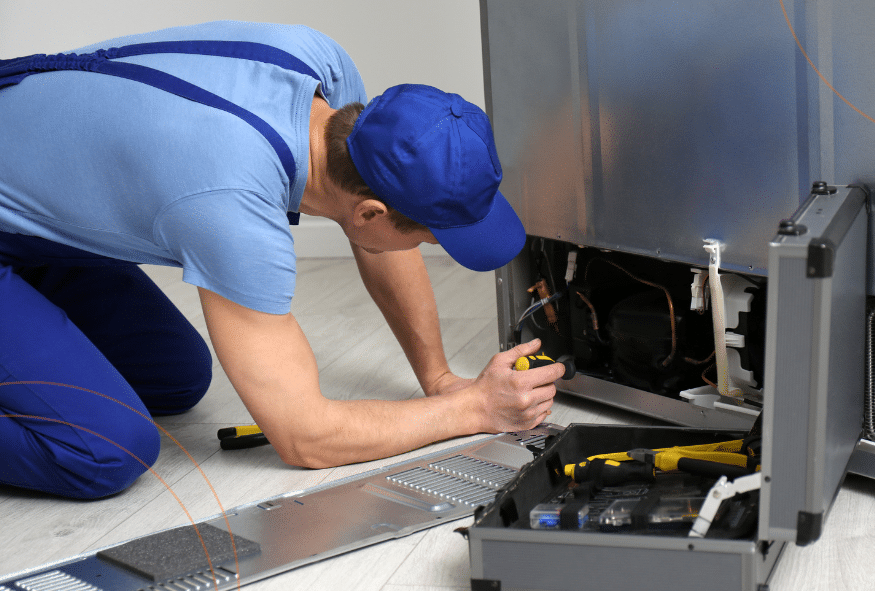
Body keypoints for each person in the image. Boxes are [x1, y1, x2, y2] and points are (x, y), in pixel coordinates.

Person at [0, 21, 564, 500]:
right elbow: (305, 437)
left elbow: (378, 240)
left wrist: (440, 380)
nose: (423, 248)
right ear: (370, 213)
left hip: (31, 216)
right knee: (107, 449)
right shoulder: (232, 203)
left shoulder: (324, 75)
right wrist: (474, 413)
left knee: (173, 378)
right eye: (426, 238)